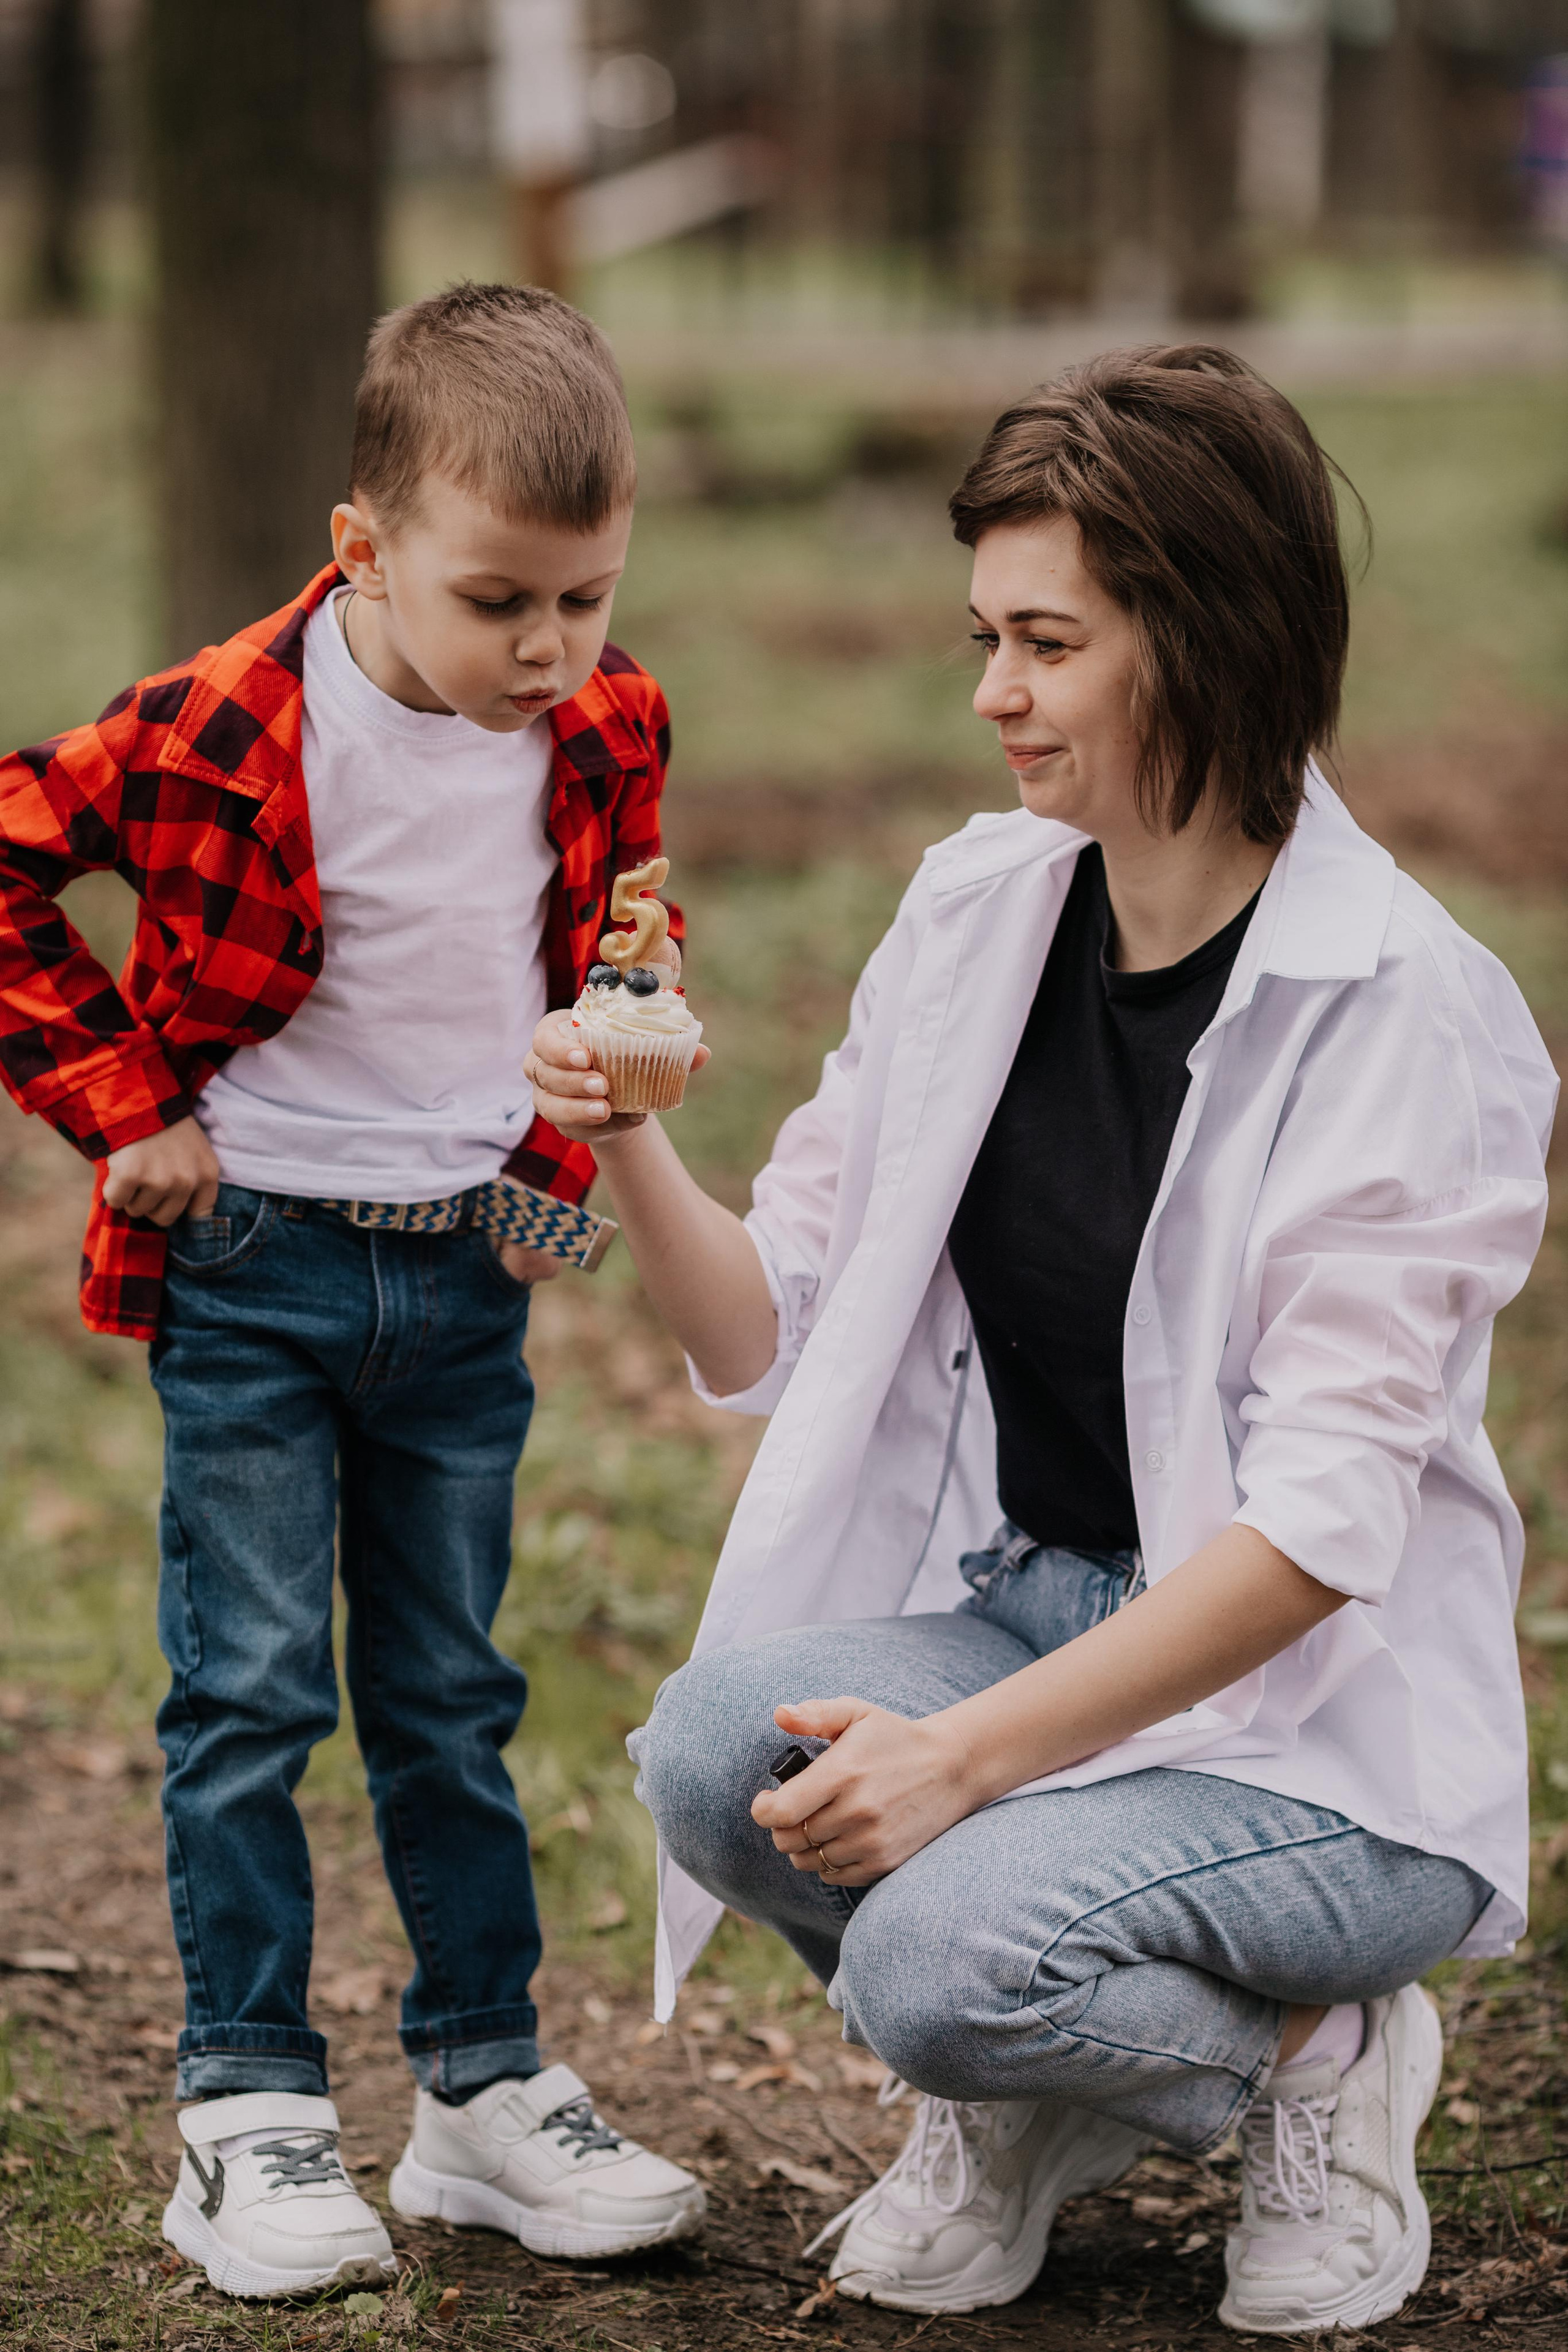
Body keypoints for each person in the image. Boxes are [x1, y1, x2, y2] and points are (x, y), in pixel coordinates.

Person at [526, 345, 1556, 2339]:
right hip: (1040, 1612)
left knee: (931, 1962)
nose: (990, 692)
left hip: (1320, 1746)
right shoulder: (981, 908)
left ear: (1209, 639)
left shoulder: (1404, 1005)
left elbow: (1327, 1528)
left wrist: (962, 1767)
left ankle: (1320, 2069)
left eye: (1045, 643)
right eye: (983, 636)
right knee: (718, 1753)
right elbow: (775, 1332)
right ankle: (1049, 2081)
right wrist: (629, 1136)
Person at [0, 282, 704, 2298]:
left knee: (450, 1700)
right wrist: (124, 1099)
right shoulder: (220, 721)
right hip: (253, 1270)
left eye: (588, 597)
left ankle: (482, 2094)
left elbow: (617, 958)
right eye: (503, 602)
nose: (555, 649)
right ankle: (247, 2116)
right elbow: (6, 855)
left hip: (463, 1277)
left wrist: (569, 1158)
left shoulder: (611, 717)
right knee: (246, 1697)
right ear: (362, 548)